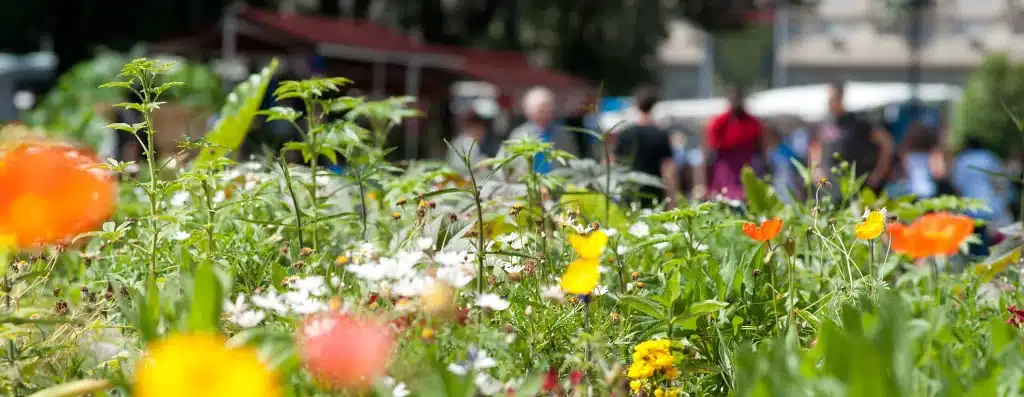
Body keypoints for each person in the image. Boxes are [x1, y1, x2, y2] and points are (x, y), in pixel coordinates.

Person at [810, 81, 894, 199]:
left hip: (857, 186)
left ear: (841, 99)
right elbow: (815, 147)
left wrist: (878, 173)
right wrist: (816, 171)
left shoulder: (858, 123)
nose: (829, 103)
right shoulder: (824, 123)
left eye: (832, 99)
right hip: (830, 188)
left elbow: (886, 143)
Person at [613, 86, 678, 208]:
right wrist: (672, 199)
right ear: (654, 106)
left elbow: (613, 162)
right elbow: (668, 169)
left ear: (636, 104)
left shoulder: (625, 134)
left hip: (629, 191)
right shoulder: (661, 135)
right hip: (653, 193)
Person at [953, 137, 1014, 254]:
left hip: (969, 207)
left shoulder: (962, 159)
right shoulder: (989, 157)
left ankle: (974, 262)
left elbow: (957, 185)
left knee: (971, 241)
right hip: (988, 204)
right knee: (989, 241)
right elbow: (999, 182)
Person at [704, 86, 766, 200]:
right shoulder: (719, 122)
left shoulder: (752, 122)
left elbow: (760, 149)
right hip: (725, 169)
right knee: (724, 197)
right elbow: (710, 151)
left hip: (746, 167)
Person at [504, 86, 580, 174]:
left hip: (558, 182)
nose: (545, 113)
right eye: (541, 109)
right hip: (528, 184)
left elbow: (574, 162)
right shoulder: (518, 134)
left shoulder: (564, 134)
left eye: (548, 108)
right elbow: (511, 166)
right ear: (529, 110)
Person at [447, 109, 490, 175]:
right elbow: (456, 166)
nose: (482, 132)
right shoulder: (460, 143)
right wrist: (478, 164)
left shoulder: (479, 144)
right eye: (477, 128)